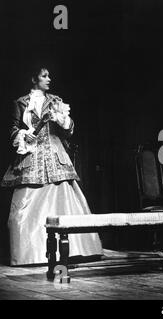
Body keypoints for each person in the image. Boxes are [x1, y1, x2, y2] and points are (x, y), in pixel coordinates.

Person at [1, 67, 103, 266]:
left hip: (55, 157)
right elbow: (12, 129)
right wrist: (23, 135)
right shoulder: (21, 103)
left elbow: (69, 130)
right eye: (44, 76)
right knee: (23, 209)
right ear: (33, 78)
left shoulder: (56, 101)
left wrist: (62, 119)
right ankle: (31, 254)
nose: (49, 79)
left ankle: (76, 249)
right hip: (31, 158)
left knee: (65, 200)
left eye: (49, 75)